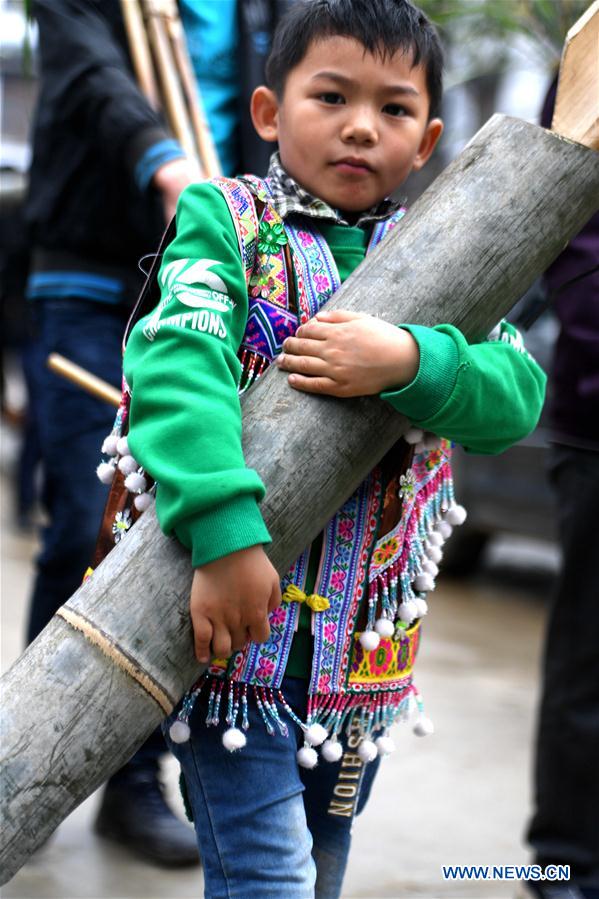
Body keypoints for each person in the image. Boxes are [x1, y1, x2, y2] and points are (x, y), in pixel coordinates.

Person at [121, 1, 546, 894]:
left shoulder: (442, 256)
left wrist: (409, 358)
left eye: (393, 109)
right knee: (268, 878)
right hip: (234, 646)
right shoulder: (224, 222)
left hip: (363, 670)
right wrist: (225, 532)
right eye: (331, 96)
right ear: (271, 113)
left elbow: (514, 394)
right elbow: (179, 368)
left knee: (321, 872)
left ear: (427, 138)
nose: (360, 127)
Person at [24, 0, 291, 866]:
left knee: (174, 530)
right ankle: (29, 752)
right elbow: (89, 73)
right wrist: (167, 165)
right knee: (84, 523)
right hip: (97, 272)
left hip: (225, 269)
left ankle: (136, 777)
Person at [519, 79, 599, 899]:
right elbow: (567, 222)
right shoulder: (596, 47)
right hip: (598, 415)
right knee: (591, 655)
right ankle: (561, 863)